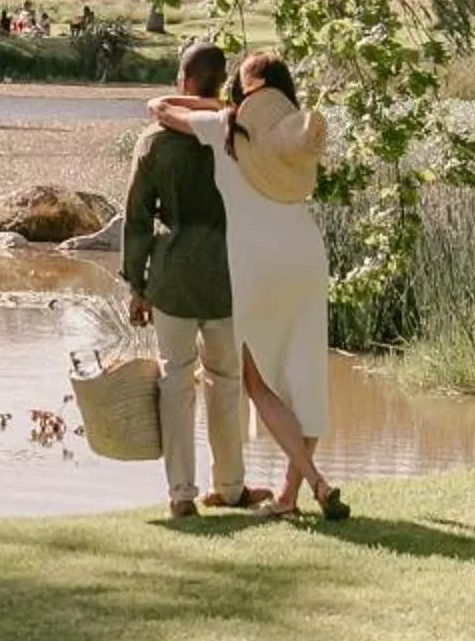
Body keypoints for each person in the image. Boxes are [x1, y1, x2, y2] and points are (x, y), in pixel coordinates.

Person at [149, 49, 345, 519]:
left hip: (257, 263)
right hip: (306, 256)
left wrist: (220, 106)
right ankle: (288, 496)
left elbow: (159, 107)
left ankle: (316, 483)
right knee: (305, 379)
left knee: (256, 381)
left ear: (246, 92)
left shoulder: (224, 129)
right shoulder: (292, 140)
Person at [119, 39, 251, 516]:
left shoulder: (154, 142)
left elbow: (137, 218)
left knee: (176, 380)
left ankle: (181, 494)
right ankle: (230, 486)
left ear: (184, 82)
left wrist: (136, 285)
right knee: (226, 380)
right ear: (220, 82)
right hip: (228, 271)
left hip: (173, 272)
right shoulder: (238, 136)